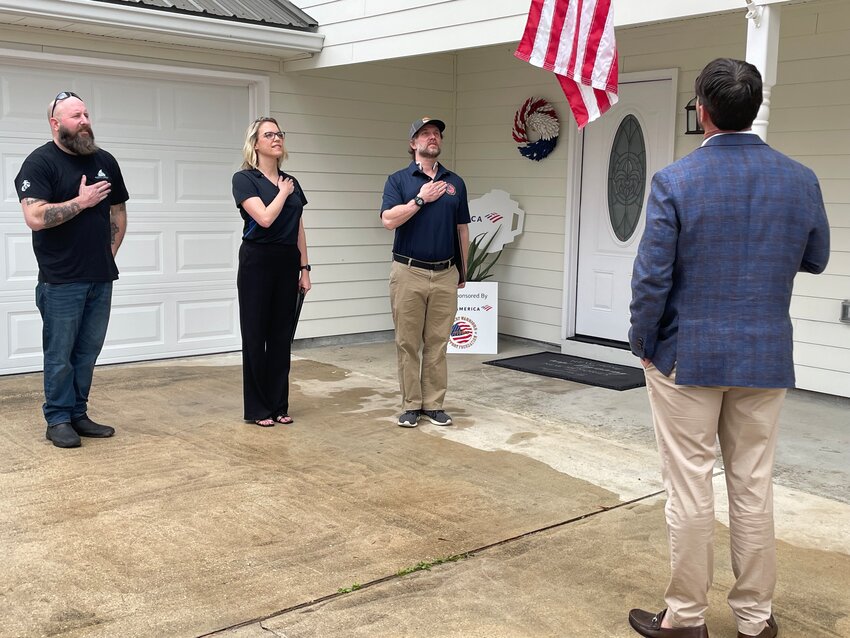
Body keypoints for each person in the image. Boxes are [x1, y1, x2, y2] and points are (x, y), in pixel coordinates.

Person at [628, 58, 830, 638]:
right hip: (765, 353)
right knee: (752, 484)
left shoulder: (676, 180)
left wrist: (643, 343)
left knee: (690, 486)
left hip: (686, 357)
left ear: (702, 110)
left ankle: (686, 619)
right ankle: (754, 619)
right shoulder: (800, 178)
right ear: (754, 107)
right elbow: (815, 258)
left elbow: (651, 280)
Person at [14, 91, 129, 449]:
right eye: (76, 116)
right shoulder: (40, 163)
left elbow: (118, 213)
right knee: (60, 353)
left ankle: (78, 413)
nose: (84, 121)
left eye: (86, 114)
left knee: (87, 351)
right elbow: (34, 217)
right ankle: (58, 419)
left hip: (100, 277)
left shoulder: (104, 161)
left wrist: (106, 255)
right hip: (60, 280)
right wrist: (81, 202)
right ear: (56, 123)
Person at [380, 117, 470, 428]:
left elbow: (461, 229)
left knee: (437, 341)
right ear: (413, 143)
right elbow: (389, 220)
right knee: (408, 342)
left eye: (436, 134)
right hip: (408, 272)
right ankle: (410, 405)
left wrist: (463, 270)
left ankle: (433, 404)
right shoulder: (399, 180)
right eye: (425, 134)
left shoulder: (455, 182)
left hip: (445, 272)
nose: (432, 138)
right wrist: (421, 199)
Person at [232, 117, 311, 427]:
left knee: (281, 336)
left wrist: (304, 268)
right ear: (256, 143)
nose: (276, 139)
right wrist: (281, 192)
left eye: (279, 134)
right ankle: (257, 409)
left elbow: (299, 227)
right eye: (269, 134)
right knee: (255, 335)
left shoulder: (292, 181)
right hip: (257, 261)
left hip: (286, 261)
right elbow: (264, 218)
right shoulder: (244, 179)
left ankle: (279, 404)